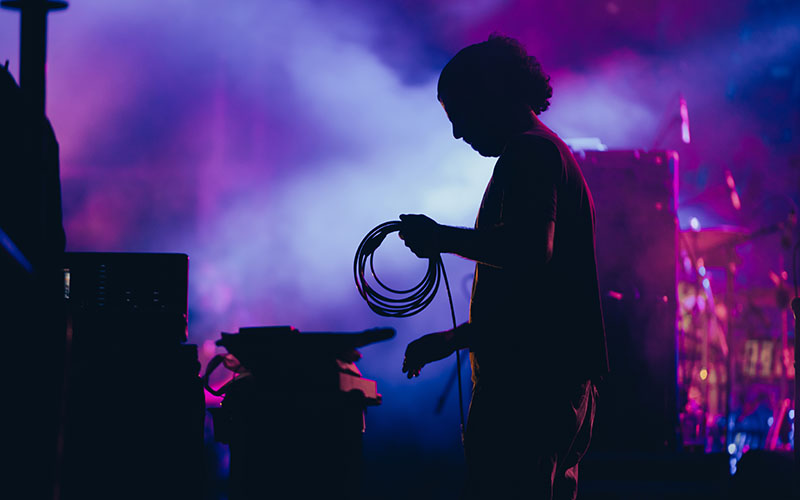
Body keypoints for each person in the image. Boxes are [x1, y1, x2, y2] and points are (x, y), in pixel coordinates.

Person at [398, 35, 609, 499]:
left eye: (460, 115)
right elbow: (533, 301)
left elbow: (531, 250)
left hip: (528, 391)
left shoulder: (530, 153)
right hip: (548, 382)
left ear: (490, 94)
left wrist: (440, 238)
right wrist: (455, 339)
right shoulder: (544, 151)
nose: (458, 134)